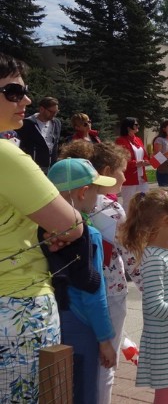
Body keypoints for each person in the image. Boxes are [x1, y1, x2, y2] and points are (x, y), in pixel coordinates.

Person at [0, 54, 84, 402]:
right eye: (13, 91)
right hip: (16, 306)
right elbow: (71, 226)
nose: (26, 99)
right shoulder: (6, 156)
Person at [59, 140, 140, 404]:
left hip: (71, 297)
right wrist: (150, 288)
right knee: (107, 362)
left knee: (78, 361)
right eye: (121, 170)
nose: (124, 176)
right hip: (109, 296)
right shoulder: (110, 208)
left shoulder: (61, 207)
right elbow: (131, 255)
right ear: (105, 172)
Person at [46, 158, 118, 404]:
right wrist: (105, 339)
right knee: (84, 391)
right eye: (97, 189)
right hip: (82, 324)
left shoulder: (41, 230)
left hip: (53, 320)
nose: (99, 195)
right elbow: (94, 292)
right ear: (84, 192)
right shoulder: (90, 235)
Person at [121, 188, 168, 404]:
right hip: (164, 339)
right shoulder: (154, 258)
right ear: (166, 220)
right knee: (166, 391)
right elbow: (153, 305)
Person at [17, 95, 61, 172]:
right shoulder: (26, 124)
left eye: (56, 112)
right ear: (41, 109)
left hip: (52, 168)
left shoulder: (57, 123)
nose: (54, 114)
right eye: (51, 112)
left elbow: (56, 144)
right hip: (32, 168)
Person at [115, 117, 150, 213]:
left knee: (144, 203)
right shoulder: (121, 140)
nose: (138, 126)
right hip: (130, 178)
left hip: (142, 178)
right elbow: (122, 160)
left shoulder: (138, 139)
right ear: (128, 127)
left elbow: (145, 156)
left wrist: (146, 161)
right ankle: (127, 222)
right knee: (129, 204)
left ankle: (141, 221)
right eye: (136, 124)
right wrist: (137, 163)